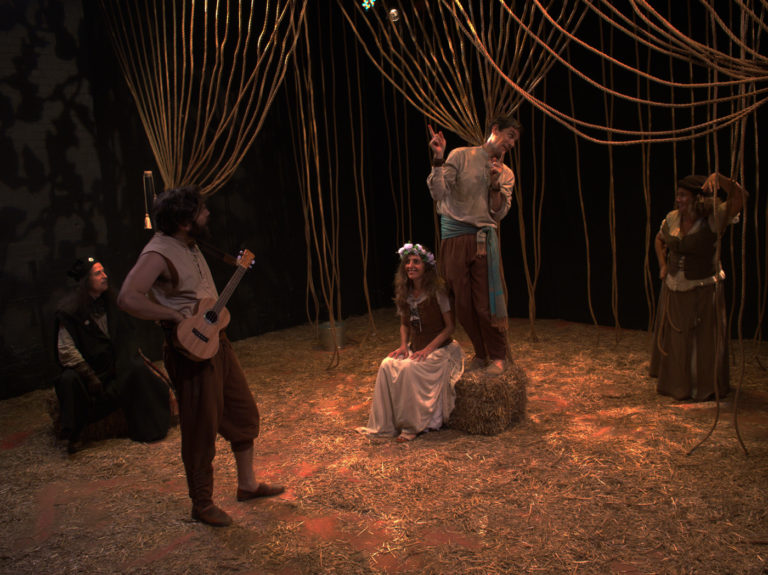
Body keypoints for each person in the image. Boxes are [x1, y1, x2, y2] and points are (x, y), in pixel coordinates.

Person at [117, 186, 283, 527]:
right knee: (200, 427)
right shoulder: (158, 253)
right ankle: (202, 503)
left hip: (217, 342)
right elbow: (128, 297)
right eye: (201, 211)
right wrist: (171, 314)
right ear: (183, 221)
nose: (208, 215)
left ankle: (247, 485)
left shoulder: (189, 243)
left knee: (242, 411)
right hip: (190, 352)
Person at [427, 116, 520, 375]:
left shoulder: (507, 173)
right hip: (455, 238)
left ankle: (498, 357)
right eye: (510, 135)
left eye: (515, 140)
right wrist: (438, 158)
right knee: (462, 304)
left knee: (485, 303)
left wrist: (494, 183)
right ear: (495, 130)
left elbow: (498, 213)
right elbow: (438, 193)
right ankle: (481, 354)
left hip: (482, 241)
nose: (512, 143)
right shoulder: (461, 155)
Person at [55, 257, 172, 454]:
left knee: (138, 371)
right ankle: (74, 434)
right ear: (86, 280)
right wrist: (89, 375)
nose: (104, 276)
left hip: (115, 365)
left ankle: (150, 428)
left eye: (104, 271)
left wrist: (126, 359)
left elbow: (128, 335)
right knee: (68, 379)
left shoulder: (114, 302)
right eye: (98, 273)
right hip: (92, 370)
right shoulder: (70, 312)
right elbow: (66, 350)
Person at [650, 172, 746, 401]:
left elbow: (741, 197)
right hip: (675, 285)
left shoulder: (714, 218)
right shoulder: (673, 218)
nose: (678, 200)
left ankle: (702, 386)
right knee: (678, 338)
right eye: (678, 195)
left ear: (697, 198)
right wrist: (663, 265)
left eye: (683, 195)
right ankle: (677, 384)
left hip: (703, 288)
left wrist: (720, 179)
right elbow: (659, 239)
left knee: (702, 341)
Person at [358, 242, 464, 441]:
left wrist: (428, 350)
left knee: (408, 368)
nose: (410, 266)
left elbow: (450, 327)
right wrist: (403, 346)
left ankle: (412, 425)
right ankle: (386, 424)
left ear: (426, 267)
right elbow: (405, 324)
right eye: (407, 262)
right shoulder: (405, 293)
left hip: (440, 350)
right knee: (386, 365)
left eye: (416, 262)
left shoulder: (438, 292)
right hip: (416, 348)